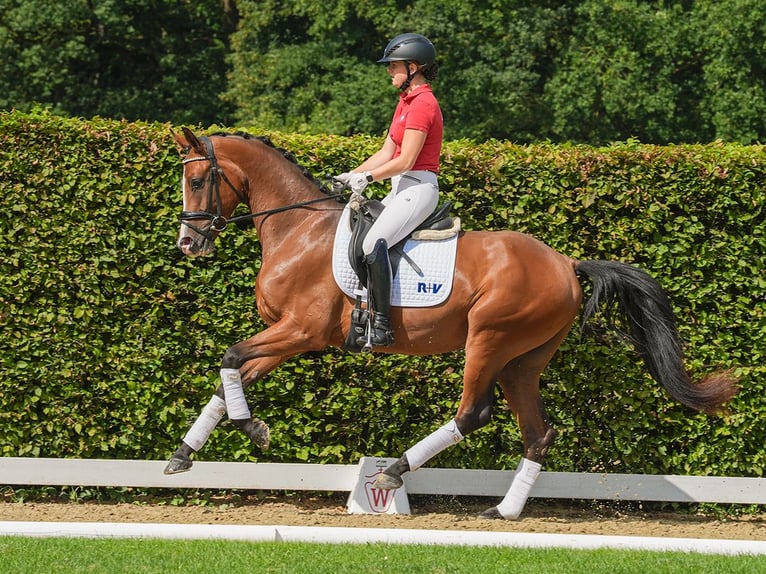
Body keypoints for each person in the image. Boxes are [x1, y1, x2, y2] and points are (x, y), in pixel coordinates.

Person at [335, 33, 444, 348]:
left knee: (372, 243)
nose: (389, 71)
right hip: (401, 187)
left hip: (419, 187)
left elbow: (406, 159)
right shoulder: (405, 102)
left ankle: (381, 324)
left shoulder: (424, 103)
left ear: (412, 67)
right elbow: (386, 153)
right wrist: (350, 175)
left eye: (393, 65)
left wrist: (368, 178)